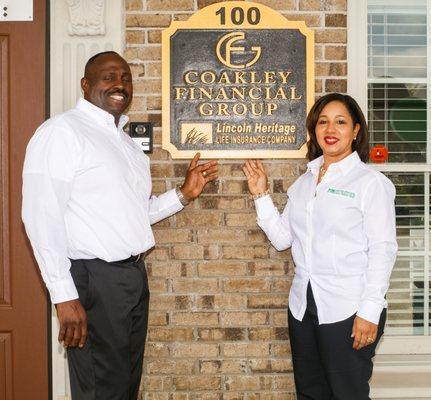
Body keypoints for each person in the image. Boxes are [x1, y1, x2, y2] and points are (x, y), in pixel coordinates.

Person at [22, 51, 218, 400]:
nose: (119, 84)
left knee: (125, 386)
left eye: (125, 77)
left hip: (131, 279)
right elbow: (40, 215)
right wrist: (64, 296)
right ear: (86, 84)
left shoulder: (126, 143)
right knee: (101, 389)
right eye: (109, 76)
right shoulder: (62, 132)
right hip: (94, 281)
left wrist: (184, 194)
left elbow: (133, 214)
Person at [243, 93, 397, 400]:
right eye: (323, 121)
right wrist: (261, 195)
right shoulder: (304, 184)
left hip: (349, 309)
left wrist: (369, 310)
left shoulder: (370, 183)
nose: (331, 129)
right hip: (303, 307)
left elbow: (383, 249)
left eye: (341, 122)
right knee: (311, 393)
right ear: (314, 129)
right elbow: (283, 238)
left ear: (356, 131)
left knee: (347, 394)